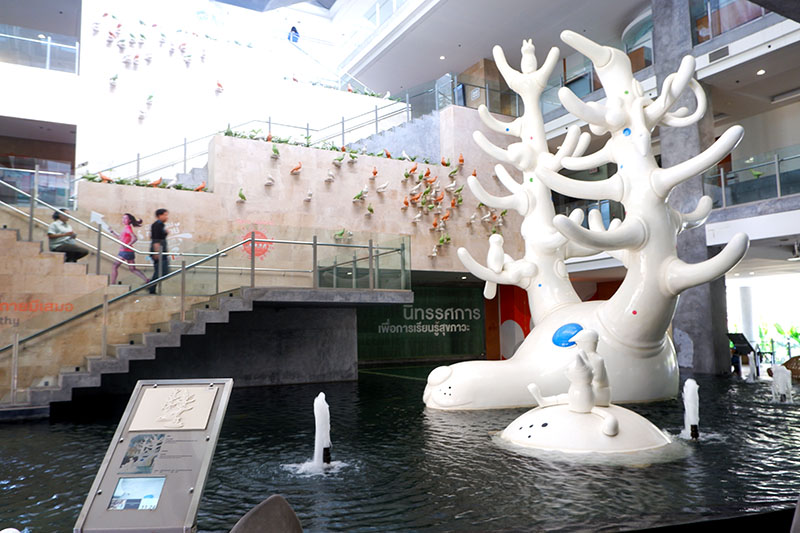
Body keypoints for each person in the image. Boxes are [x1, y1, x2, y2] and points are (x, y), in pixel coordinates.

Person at [109, 213, 149, 285]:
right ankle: (146, 279)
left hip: (125, 251)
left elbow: (135, 238)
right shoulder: (126, 228)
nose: (123, 220)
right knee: (132, 269)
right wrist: (112, 232)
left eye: (125, 218)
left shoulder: (127, 228)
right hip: (129, 252)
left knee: (115, 266)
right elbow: (120, 238)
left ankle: (112, 283)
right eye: (123, 218)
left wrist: (127, 245)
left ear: (129, 220)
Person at [148, 208, 169, 294]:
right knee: (162, 270)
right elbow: (156, 239)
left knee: (160, 270)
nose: (166, 217)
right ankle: (150, 286)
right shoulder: (157, 225)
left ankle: (151, 288)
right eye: (165, 215)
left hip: (161, 250)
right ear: (159, 216)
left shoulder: (160, 225)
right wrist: (156, 252)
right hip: (159, 251)